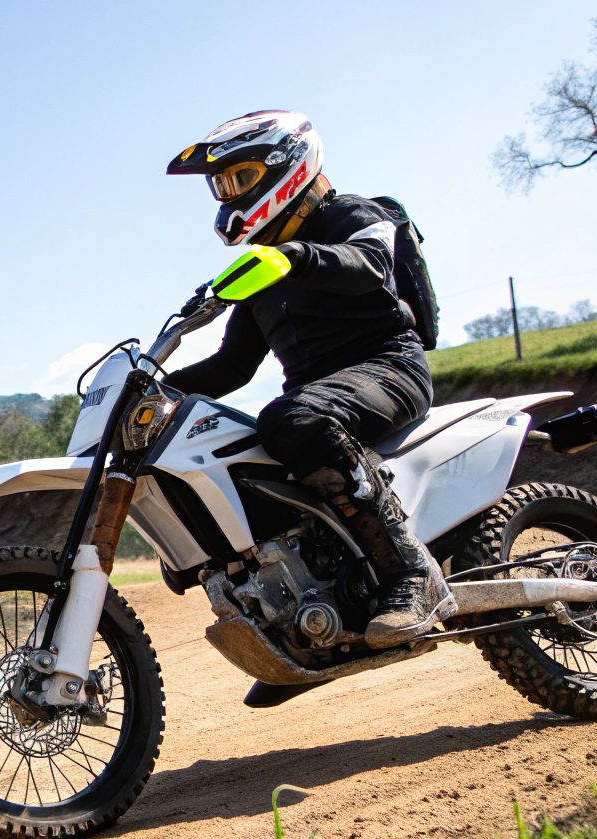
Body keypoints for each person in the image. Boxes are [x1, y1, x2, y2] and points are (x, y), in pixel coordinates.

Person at [161, 109, 455, 648]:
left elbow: (367, 263)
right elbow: (231, 367)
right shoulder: (264, 267)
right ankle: (299, 622)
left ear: (288, 165)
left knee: (292, 419)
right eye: (220, 186)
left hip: (388, 369)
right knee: (229, 450)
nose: (229, 195)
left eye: (240, 179)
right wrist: (155, 391)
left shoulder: (351, 216)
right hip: (319, 398)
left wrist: (292, 257)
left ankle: (412, 575)